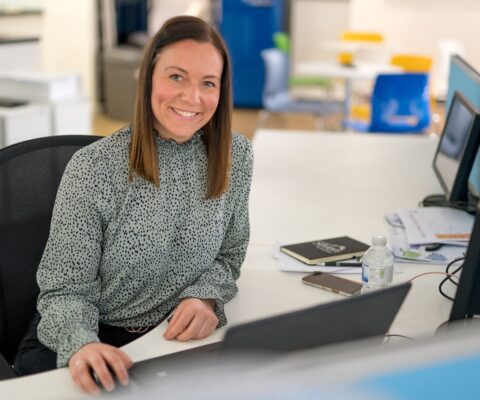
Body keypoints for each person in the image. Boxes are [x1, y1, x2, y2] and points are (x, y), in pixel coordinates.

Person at [13, 15, 253, 396]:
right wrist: (83, 344)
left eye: (208, 83)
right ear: (148, 77)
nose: (192, 97)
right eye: (176, 76)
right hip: (81, 338)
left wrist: (204, 296)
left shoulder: (234, 156)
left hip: (166, 341)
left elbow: (229, 254)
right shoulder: (95, 168)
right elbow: (64, 292)